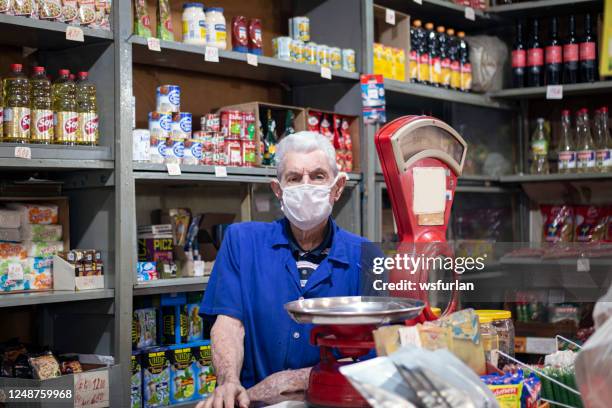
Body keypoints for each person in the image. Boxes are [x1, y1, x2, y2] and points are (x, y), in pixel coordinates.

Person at [198, 131, 379, 408]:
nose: (305, 186)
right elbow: (228, 324)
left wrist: (296, 379)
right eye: (294, 178)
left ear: (338, 187)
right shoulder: (242, 242)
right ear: (278, 190)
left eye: (318, 176)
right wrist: (228, 381)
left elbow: (376, 352)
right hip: (253, 403)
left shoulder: (366, 256)